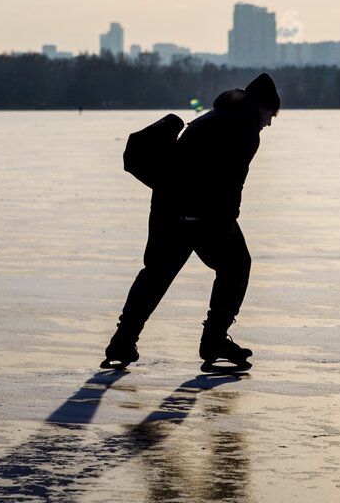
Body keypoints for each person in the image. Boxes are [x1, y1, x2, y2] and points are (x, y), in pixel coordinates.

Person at [101, 73, 281, 371]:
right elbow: (230, 180)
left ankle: (122, 341)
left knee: (156, 274)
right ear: (261, 106)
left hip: (168, 205)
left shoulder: (216, 116)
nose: (270, 122)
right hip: (203, 212)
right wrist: (225, 221)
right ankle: (214, 341)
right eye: (271, 114)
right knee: (237, 265)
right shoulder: (245, 128)